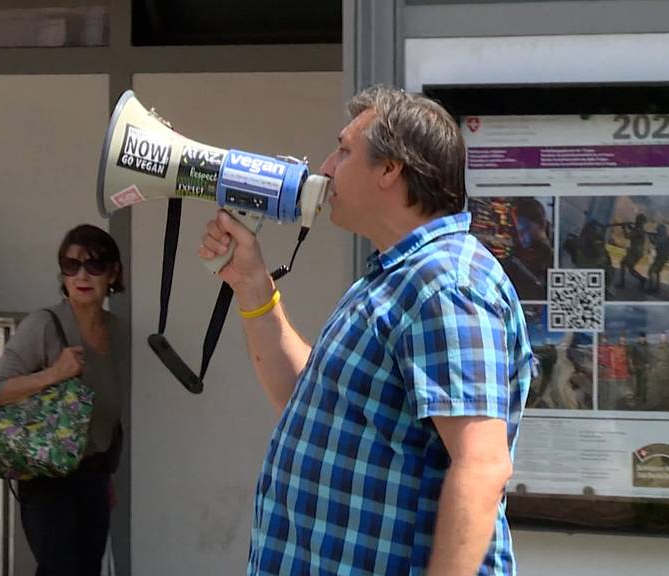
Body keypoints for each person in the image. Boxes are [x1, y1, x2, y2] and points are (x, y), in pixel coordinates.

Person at [199, 85, 532, 576]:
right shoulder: (397, 279)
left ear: (390, 168)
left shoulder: (446, 286)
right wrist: (252, 283)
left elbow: (481, 466)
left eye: (345, 150)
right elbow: (303, 399)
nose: (327, 167)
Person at [0, 224, 124, 576]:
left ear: (114, 271)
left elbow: (107, 411)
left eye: (95, 264)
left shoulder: (118, 331)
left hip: (94, 475)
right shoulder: (45, 325)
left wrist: (106, 474)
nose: (82, 275)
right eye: (71, 265)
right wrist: (55, 373)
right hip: (47, 476)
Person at [504, 197, 553, 300]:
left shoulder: (549, 258)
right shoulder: (519, 253)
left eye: (525, 228)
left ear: (540, 224)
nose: (520, 236)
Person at [616, 213, 648, 290]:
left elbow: (627, 236)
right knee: (630, 269)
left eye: (638, 220)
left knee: (623, 263)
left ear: (640, 221)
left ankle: (622, 283)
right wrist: (629, 226)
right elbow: (634, 231)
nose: (636, 221)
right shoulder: (640, 230)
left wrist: (623, 228)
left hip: (635, 252)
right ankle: (642, 279)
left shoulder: (639, 230)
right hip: (637, 252)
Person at [646, 223, 669, 295]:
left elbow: (655, 242)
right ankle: (656, 288)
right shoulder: (666, 236)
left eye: (658, 230)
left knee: (651, 271)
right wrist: (652, 237)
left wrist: (650, 237)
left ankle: (650, 289)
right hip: (663, 257)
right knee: (657, 272)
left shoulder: (664, 237)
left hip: (661, 257)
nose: (657, 231)